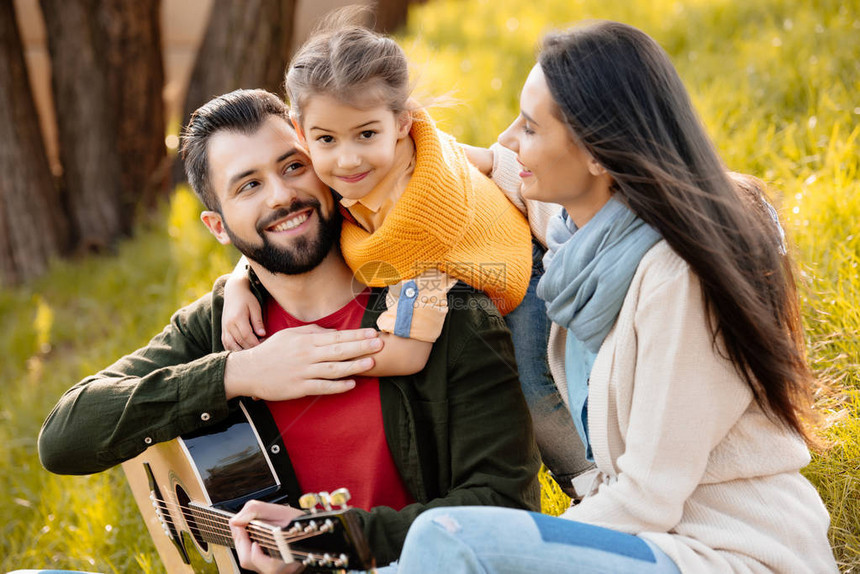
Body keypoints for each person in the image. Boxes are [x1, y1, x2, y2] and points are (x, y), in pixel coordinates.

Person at [384, 20, 838, 574]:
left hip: (726, 552)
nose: (507, 141)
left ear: (599, 154)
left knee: (447, 538)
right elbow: (492, 176)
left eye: (528, 127)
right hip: (649, 539)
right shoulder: (591, 235)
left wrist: (518, 548)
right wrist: (247, 283)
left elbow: (648, 497)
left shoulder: (679, 276)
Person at [37, 89, 541, 570]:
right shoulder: (220, 325)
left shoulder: (441, 307)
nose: (283, 195)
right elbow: (64, 437)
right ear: (218, 227)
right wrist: (239, 374)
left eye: (293, 166)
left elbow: (502, 508)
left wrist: (327, 538)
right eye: (249, 184)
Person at [221, 12, 593, 494]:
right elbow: (289, 226)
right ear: (300, 130)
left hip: (517, 274)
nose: (348, 158)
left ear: (402, 121)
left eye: (366, 135)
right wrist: (239, 281)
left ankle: (588, 481)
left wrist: (309, 359)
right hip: (468, 237)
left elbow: (409, 354)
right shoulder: (357, 171)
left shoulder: (418, 225)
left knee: (537, 388)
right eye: (327, 139)